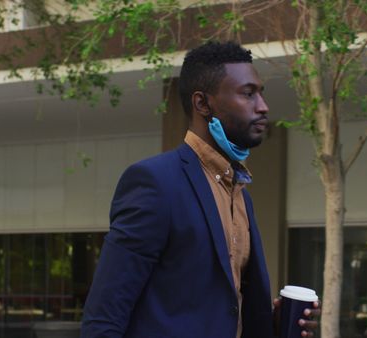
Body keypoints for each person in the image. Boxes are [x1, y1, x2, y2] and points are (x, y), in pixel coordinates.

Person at [81, 41, 319, 338]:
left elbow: (215, 308)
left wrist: (271, 323)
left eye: (260, 93)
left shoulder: (240, 194)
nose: (263, 106)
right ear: (203, 104)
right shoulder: (155, 183)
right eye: (247, 93)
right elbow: (104, 316)